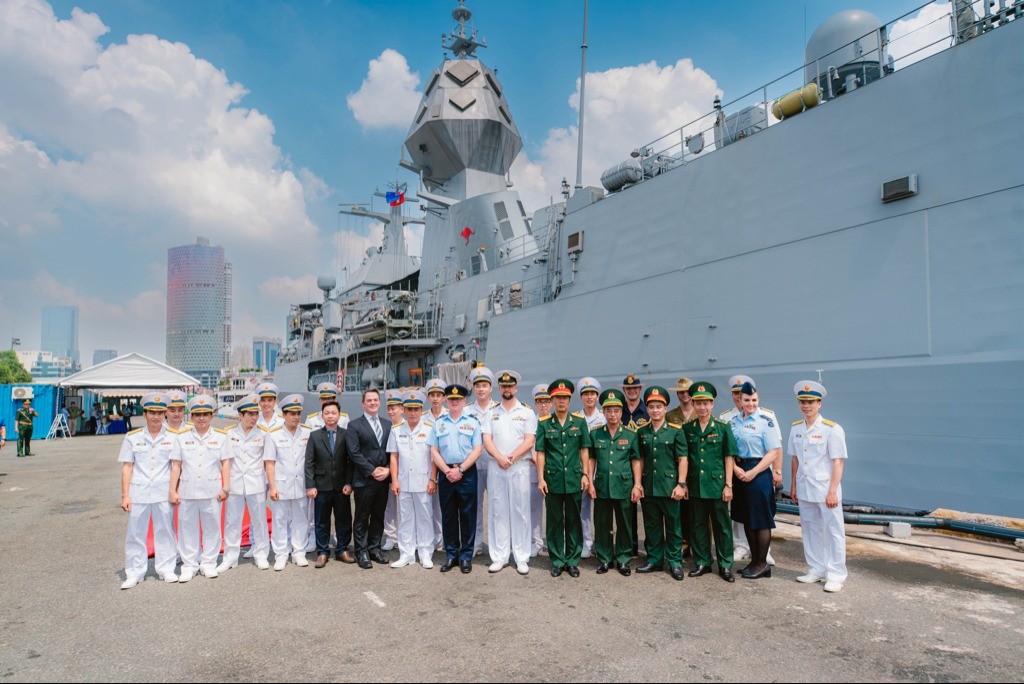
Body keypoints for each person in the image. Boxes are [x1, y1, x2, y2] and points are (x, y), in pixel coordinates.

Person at [789, 380, 849, 593]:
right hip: (805, 488)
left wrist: (833, 490)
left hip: (825, 490)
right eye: (803, 402)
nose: (806, 406)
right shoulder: (796, 428)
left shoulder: (832, 430)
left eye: (811, 402)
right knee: (810, 529)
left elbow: (838, 462)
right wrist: (793, 484)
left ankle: (835, 574)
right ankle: (816, 568)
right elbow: (795, 458)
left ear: (819, 404)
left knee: (833, 532)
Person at [118, 393, 178, 589]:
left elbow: (176, 466)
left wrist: (173, 491)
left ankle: (166, 569)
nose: (156, 417)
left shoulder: (173, 438)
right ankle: (134, 572)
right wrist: (125, 495)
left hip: (163, 491)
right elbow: (127, 467)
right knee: (135, 533)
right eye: (152, 412)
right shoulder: (132, 437)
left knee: (165, 531)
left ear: (165, 415)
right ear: (145, 414)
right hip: (139, 492)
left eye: (160, 413)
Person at [680, 382, 738, 582]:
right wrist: (684, 483)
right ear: (694, 404)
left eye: (706, 403)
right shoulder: (687, 429)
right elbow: (684, 458)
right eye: (698, 403)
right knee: (697, 526)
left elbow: (728, 457)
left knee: (722, 526)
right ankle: (702, 561)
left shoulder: (722, 427)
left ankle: (725, 564)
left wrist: (728, 484)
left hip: (717, 485)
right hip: (696, 485)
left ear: (712, 404)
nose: (702, 407)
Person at [481, 370, 538, 575]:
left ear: (516, 388)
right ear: (499, 388)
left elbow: (529, 440)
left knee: (521, 512)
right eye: (503, 386)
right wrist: (499, 457)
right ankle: (500, 556)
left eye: (510, 386)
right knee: (498, 511)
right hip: (497, 468)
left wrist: (511, 457)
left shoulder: (526, 412)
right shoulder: (491, 412)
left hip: (519, 467)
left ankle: (521, 557)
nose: (507, 389)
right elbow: (487, 439)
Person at [721, 374, 782, 565]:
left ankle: (762, 563)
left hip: (759, 471)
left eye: (754, 400)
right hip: (740, 471)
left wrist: (755, 472)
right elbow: (729, 450)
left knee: (761, 520)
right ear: (740, 399)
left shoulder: (766, 421)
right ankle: (754, 562)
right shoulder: (733, 422)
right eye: (746, 400)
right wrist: (736, 469)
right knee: (746, 518)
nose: (750, 403)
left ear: (758, 400)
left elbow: (773, 452)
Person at [168, 396, 230, 582]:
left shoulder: (221, 437)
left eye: (205, 414)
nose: (201, 418)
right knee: (187, 529)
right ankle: (189, 565)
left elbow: (225, 464)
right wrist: (173, 490)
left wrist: (226, 488)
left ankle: (209, 562)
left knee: (212, 527)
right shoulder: (182, 438)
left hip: (212, 490)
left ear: (211, 417)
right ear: (192, 417)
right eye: (197, 415)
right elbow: (176, 466)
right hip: (188, 490)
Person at [535, 379, 593, 578]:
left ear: (569, 400)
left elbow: (584, 449)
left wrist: (585, 474)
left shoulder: (579, 421)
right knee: (554, 521)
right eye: (558, 398)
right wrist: (541, 478)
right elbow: (540, 452)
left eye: (565, 398)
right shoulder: (544, 423)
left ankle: (572, 560)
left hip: (574, 479)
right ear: (551, 400)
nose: (561, 401)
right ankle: (557, 560)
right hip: (553, 480)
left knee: (573, 520)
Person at [429, 383, 483, 573]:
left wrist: (460, 469)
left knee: (468, 516)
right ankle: (452, 555)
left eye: (457, 399)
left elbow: (477, 449)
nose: (454, 402)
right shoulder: (439, 423)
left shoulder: (473, 422)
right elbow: (434, 450)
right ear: (446, 400)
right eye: (451, 399)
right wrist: (446, 471)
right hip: (446, 474)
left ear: (464, 401)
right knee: (449, 515)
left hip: (466, 472)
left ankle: (466, 556)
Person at [635, 386, 688, 581]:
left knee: (674, 527)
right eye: (651, 407)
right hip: (649, 487)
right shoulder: (641, 432)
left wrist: (681, 484)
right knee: (652, 526)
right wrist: (638, 484)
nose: (655, 410)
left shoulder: (675, 431)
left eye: (659, 406)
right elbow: (639, 459)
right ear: (647, 409)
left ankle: (674, 562)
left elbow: (683, 458)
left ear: (666, 408)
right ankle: (655, 560)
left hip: (669, 487)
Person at [589, 389, 642, 576]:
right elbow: (591, 459)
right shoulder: (596, 434)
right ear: (603, 412)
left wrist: (637, 484)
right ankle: (604, 558)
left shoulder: (630, 434)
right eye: (609, 411)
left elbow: (636, 460)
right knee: (602, 523)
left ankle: (623, 559)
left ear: (622, 412)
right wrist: (590, 481)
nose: (613, 415)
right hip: (602, 484)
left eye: (617, 411)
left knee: (625, 524)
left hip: (624, 486)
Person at [217, 394, 271, 573]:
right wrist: (225, 485)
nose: (254, 418)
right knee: (232, 522)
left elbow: (267, 461)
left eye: (256, 414)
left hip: (256, 483)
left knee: (260, 521)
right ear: (240, 415)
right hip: (235, 484)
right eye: (249, 414)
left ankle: (261, 554)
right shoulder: (230, 434)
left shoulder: (263, 434)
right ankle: (230, 557)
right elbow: (224, 461)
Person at [386, 390, 438, 569]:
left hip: (423, 481)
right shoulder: (396, 430)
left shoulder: (430, 428)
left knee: (425, 517)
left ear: (421, 409)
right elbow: (394, 457)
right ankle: (406, 554)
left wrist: (433, 479)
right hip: (404, 482)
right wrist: (394, 480)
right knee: (405, 519)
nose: (413, 412)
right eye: (409, 409)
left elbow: (434, 457)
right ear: (404, 410)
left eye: (416, 409)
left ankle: (425, 553)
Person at [265, 393, 313, 571]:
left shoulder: (307, 433)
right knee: (279, 520)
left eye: (297, 413)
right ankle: (281, 554)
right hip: (281, 485)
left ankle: (298, 552)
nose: (295, 417)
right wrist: (272, 487)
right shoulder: (274, 435)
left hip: (301, 485)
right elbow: (269, 463)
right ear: (283, 415)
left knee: (301, 520)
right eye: (291, 413)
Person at [345, 389, 392, 569]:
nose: (372, 403)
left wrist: (387, 470)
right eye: (369, 400)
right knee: (362, 517)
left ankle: (375, 548)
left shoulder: (387, 425)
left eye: (375, 400)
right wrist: (372, 470)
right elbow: (354, 453)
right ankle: (361, 551)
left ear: (379, 402)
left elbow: (391, 451)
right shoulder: (355, 425)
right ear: (363, 403)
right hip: (364, 479)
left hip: (383, 479)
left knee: (379, 516)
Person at [304, 400, 354, 568]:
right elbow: (309, 462)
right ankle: (323, 552)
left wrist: (349, 482)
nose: (330, 416)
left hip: (341, 486)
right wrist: (310, 485)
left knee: (343, 519)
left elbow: (350, 461)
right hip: (321, 486)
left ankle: (342, 549)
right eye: (327, 413)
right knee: (321, 520)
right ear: (322, 415)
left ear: (339, 415)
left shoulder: (347, 434)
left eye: (333, 413)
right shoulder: (315, 435)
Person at [465, 366, 497, 557]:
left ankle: (495, 545)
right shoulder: (467, 410)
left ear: (490, 388)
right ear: (474, 388)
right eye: (478, 386)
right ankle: (475, 543)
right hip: (474, 466)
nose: (481, 389)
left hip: (494, 464)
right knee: (474, 507)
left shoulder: (499, 409)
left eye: (484, 385)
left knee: (496, 506)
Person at [576, 376, 605, 559]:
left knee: (602, 511)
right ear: (581, 397)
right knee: (582, 509)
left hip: (601, 470)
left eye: (593, 394)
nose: (589, 397)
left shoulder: (604, 418)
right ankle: (585, 541)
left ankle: (602, 543)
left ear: (597, 396)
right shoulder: (576, 419)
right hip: (582, 471)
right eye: (586, 394)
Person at [666, 377, 695, 555]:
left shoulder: (701, 411)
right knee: (681, 510)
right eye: (681, 392)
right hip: (678, 467)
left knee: (698, 510)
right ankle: (683, 543)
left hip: (697, 467)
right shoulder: (671, 415)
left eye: (687, 392)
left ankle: (700, 545)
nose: (684, 395)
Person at [621, 373, 648, 555]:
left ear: (640, 389)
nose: (632, 391)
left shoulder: (648, 410)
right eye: (628, 389)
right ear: (624, 390)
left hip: (646, 466)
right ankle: (630, 546)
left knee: (649, 510)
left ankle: (651, 548)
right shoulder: (617, 409)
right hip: (624, 467)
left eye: (635, 388)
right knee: (627, 510)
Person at [424, 378, 447, 551]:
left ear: (444, 398)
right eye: (432, 395)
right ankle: (430, 537)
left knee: (444, 505)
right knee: (427, 505)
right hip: (426, 466)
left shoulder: (451, 415)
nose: (435, 399)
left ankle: (443, 538)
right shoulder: (422, 417)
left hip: (446, 466)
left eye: (439, 395)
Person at [380, 388, 405, 552]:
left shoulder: (407, 426)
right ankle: (391, 536)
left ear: (402, 409)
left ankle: (406, 536)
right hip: (391, 473)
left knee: (406, 508)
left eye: (394, 407)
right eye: (389, 408)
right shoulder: (387, 426)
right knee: (390, 507)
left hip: (408, 473)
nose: (391, 411)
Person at [529, 383, 551, 556]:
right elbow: (530, 446)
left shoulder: (555, 421)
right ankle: (536, 542)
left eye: (546, 401)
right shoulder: (530, 421)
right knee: (534, 509)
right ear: (535, 403)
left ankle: (554, 541)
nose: (543, 405)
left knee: (556, 510)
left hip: (553, 472)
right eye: (540, 401)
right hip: (534, 471)